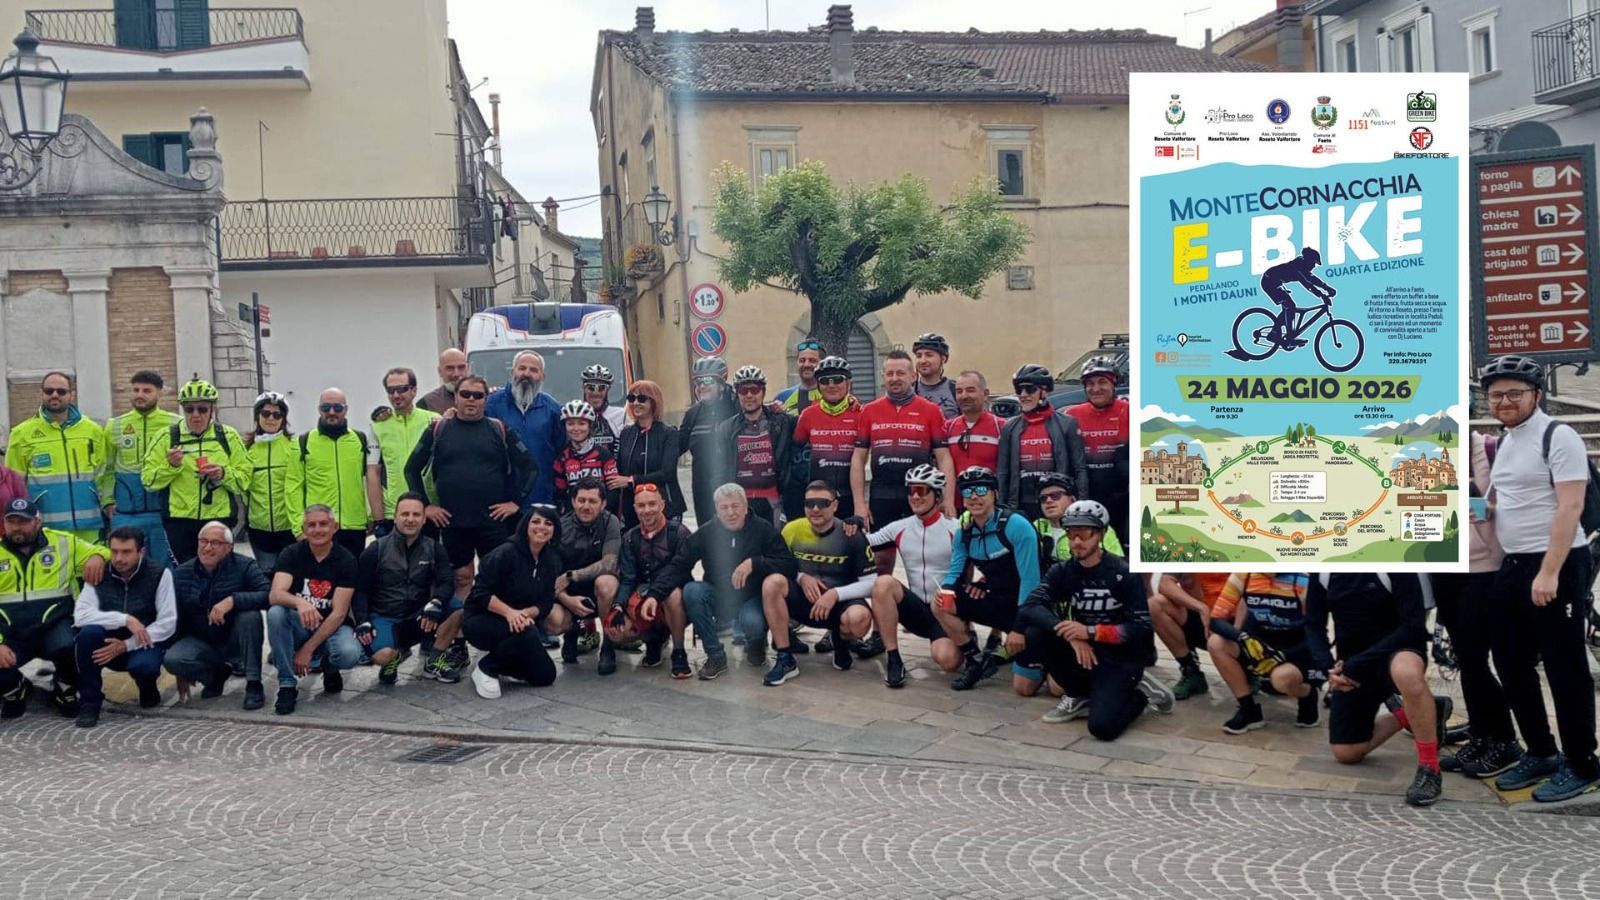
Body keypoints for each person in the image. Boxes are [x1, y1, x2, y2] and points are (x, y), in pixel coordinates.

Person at [1479, 355, 1599, 802]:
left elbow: (1569, 506)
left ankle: (1582, 762)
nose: (1504, 401)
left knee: (1565, 665)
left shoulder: (1558, 435)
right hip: (1515, 562)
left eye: (1514, 393)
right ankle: (1542, 751)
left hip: (1559, 563)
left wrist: (1550, 572)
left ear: (1536, 395)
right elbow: (1510, 501)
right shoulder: (1508, 440)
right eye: (1496, 395)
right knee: (1508, 659)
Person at [1017, 500, 1168, 740]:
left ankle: (1140, 695)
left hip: (1120, 657)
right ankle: (1077, 694)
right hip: (1085, 651)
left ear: (1101, 534)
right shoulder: (1063, 571)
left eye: (1084, 533)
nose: (1077, 541)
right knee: (1035, 632)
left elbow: (1140, 630)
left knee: (1102, 728)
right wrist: (1067, 631)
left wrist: (1090, 632)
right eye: (1071, 533)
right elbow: (1029, 607)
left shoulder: (1124, 573)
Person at [1306, 573, 1450, 807]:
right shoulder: (1323, 569)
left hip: (1397, 652)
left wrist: (1354, 665)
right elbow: (1313, 623)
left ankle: (1429, 767)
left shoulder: (1396, 564)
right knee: (1346, 752)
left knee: (1407, 673)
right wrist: (1328, 669)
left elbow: (1412, 626)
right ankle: (1420, 712)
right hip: (1354, 665)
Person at [1432, 429, 1521, 779]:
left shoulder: (1488, 449)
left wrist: (1469, 500)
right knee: (1466, 660)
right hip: (1444, 566)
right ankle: (1482, 734)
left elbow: (1508, 506)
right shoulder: (1419, 444)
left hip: (1483, 568)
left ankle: (1506, 741)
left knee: (1475, 659)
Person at [404, 374, 537, 603]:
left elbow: (531, 468)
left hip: (493, 521)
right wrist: (426, 506)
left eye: (478, 395)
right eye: (465, 394)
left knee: (496, 576)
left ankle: (495, 631)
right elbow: (411, 469)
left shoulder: (499, 429)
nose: (471, 400)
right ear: (455, 397)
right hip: (453, 521)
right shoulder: (438, 430)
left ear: (486, 400)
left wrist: (516, 502)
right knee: (461, 577)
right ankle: (462, 629)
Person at [673, 483, 799, 680]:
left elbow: (788, 565)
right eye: (724, 507)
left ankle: (756, 645)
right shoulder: (707, 532)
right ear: (716, 509)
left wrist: (756, 563)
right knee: (692, 591)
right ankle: (715, 655)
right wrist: (655, 594)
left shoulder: (763, 529)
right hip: (718, 596)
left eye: (735, 506)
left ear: (745, 505)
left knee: (752, 621)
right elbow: (679, 564)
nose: (730, 512)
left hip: (752, 598)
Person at [933, 466, 1041, 692]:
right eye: (967, 492)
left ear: (995, 494)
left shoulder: (1016, 525)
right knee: (939, 604)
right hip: (997, 603)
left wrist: (1019, 629)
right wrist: (947, 592)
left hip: (1028, 612)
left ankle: (1015, 648)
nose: (974, 496)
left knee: (1025, 688)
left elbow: (1031, 583)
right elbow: (955, 572)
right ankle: (975, 660)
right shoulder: (965, 532)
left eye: (981, 490)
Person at [0, 496, 109, 720]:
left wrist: (98, 556)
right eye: (11, 522)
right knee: (10, 702)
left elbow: (104, 551)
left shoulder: (63, 542)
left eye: (23, 521)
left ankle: (63, 689)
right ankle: (15, 690)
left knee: (72, 648)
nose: (17, 527)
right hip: (11, 633)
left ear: (37, 522)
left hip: (54, 626)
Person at [759, 481, 877, 685]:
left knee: (859, 618)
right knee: (772, 583)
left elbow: (871, 584)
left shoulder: (851, 534)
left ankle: (841, 641)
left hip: (838, 606)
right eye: (809, 503)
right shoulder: (791, 529)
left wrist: (835, 594)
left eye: (822, 503)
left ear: (835, 505)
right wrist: (801, 577)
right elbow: (778, 565)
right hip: (803, 602)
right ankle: (785, 657)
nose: (815, 509)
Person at [352, 493, 462, 685]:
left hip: (420, 616)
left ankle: (434, 660)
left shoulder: (434, 548)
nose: (410, 519)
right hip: (385, 616)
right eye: (405, 514)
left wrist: (436, 603)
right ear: (395, 517)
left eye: (416, 514)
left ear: (423, 518)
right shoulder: (375, 549)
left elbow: (447, 582)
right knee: (382, 655)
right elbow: (360, 590)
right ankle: (395, 657)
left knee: (457, 608)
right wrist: (363, 621)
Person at [71, 526, 177, 727]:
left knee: (144, 667)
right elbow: (81, 615)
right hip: (106, 643)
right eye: (114, 551)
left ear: (141, 552)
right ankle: (90, 702)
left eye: (126, 552)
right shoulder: (99, 572)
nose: (119, 558)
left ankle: (147, 687)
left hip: (142, 642)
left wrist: (126, 644)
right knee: (87, 634)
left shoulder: (159, 574)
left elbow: (167, 623)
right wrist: (124, 619)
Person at [866, 466, 960, 688]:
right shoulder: (900, 527)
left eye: (921, 491)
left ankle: (965, 638)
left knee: (948, 661)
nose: (915, 497)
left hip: (945, 610)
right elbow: (865, 542)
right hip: (916, 610)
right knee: (883, 583)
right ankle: (894, 658)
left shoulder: (955, 529)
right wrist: (849, 525)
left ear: (937, 495)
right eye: (911, 491)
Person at [265, 505, 363, 716]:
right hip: (300, 623)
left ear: (335, 527)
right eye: (311, 525)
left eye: (323, 524)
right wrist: (301, 603)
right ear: (304, 529)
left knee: (349, 653)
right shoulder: (291, 553)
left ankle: (329, 666)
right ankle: (287, 684)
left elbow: (339, 613)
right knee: (276, 613)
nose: (317, 530)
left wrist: (307, 650)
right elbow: (275, 594)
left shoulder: (346, 559)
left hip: (332, 627)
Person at [164, 520, 271, 710]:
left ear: (229, 548)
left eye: (215, 543)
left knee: (250, 616)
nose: (207, 548)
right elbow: (174, 619)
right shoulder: (181, 573)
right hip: (200, 638)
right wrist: (180, 673)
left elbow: (267, 595)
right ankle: (215, 675)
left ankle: (254, 684)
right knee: (173, 659)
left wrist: (232, 600)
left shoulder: (245, 566)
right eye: (203, 541)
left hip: (234, 637)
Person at [463, 505, 567, 699]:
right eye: (536, 521)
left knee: (545, 675)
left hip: (522, 623)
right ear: (525, 525)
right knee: (528, 632)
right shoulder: (505, 553)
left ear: (555, 530)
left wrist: (526, 613)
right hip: (483, 619)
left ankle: (505, 661)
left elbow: (546, 602)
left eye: (548, 523)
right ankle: (486, 668)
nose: (541, 527)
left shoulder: (551, 560)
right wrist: (510, 613)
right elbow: (480, 593)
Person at [142, 378, 249, 564]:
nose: (196, 415)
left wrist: (223, 474)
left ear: (212, 410)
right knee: (186, 574)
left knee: (218, 571)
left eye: (202, 409)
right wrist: (171, 467)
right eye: (189, 409)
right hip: (179, 521)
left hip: (218, 518)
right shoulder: (166, 437)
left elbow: (245, 480)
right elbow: (148, 481)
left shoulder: (228, 436)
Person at [852, 350, 956, 530]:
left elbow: (944, 458)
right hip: (881, 496)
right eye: (890, 374)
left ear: (913, 376)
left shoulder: (931, 410)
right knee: (882, 556)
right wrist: (859, 504)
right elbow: (858, 458)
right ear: (883, 376)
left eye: (901, 373)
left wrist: (948, 499)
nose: (894, 378)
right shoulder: (869, 411)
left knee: (922, 554)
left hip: (920, 494)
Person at [1204, 573, 1319, 733]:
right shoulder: (1244, 575)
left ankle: (1307, 693)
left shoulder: (1304, 580)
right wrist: (1242, 638)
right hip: (1258, 644)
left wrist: (1284, 655)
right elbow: (1216, 620)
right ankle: (1248, 709)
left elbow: (1317, 634)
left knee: (1280, 680)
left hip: (1295, 647)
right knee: (1216, 643)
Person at [5, 372, 109, 542]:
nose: (54, 395)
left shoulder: (93, 430)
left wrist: (107, 505)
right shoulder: (21, 434)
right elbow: (14, 486)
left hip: (89, 525)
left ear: (71, 394)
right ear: (41, 393)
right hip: (45, 529)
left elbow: (104, 476)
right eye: (49, 391)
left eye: (61, 391)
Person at [285, 388, 381, 558]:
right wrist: (298, 527)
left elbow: (367, 480)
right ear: (319, 409)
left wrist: (370, 515)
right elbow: (293, 488)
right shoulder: (303, 442)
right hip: (319, 527)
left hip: (354, 527)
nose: (331, 412)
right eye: (326, 407)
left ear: (346, 409)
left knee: (352, 580)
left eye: (337, 408)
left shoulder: (360, 440)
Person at [100, 371, 179, 565]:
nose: (140, 395)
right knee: (127, 568)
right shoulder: (115, 425)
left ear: (159, 393)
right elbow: (106, 469)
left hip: (162, 513)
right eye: (136, 390)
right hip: (126, 514)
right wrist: (108, 501)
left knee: (166, 569)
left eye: (146, 390)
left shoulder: (175, 423)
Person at [616, 484, 694, 679]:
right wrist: (618, 606)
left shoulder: (680, 532)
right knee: (619, 629)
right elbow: (628, 578)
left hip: (675, 595)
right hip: (642, 595)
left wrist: (655, 594)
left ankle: (678, 650)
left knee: (673, 595)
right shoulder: (629, 538)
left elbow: (681, 570)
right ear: (635, 508)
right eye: (641, 506)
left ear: (662, 505)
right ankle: (652, 640)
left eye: (652, 504)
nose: (647, 510)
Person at [997, 364, 1088, 522]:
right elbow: (1003, 472)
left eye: (1029, 389)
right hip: (1021, 505)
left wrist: (1080, 505)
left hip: (1056, 503)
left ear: (1044, 391)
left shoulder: (1067, 424)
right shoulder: (1010, 427)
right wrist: (1002, 509)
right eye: (1019, 390)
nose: (1023, 395)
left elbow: (1079, 468)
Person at [1064, 356, 1130, 546]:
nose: (1096, 388)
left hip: (1123, 497)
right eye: (1090, 383)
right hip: (1087, 496)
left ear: (1114, 384)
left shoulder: (1129, 411)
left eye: (1102, 382)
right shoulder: (1073, 415)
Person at [485, 350, 565, 506]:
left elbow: (560, 449)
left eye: (534, 370)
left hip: (540, 498)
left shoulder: (553, 409)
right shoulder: (491, 404)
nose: (526, 374)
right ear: (512, 371)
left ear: (543, 376)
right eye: (522, 368)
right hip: (500, 501)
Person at [716, 366, 795, 526]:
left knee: (774, 544)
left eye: (755, 390)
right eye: (744, 391)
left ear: (763, 392)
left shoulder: (781, 422)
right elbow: (720, 468)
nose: (749, 395)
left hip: (773, 499)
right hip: (740, 500)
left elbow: (811, 418)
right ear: (737, 394)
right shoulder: (726, 428)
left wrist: (849, 401)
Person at [555, 480, 621, 668]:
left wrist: (573, 575)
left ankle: (608, 647)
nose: (586, 506)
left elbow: (610, 563)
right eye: (581, 500)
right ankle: (571, 630)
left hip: (594, 585)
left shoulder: (611, 522)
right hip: (568, 591)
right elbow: (550, 571)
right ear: (573, 501)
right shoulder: (560, 526)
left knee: (607, 582)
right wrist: (566, 598)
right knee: (553, 620)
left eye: (592, 501)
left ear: (603, 504)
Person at [369, 367, 440, 533]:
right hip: (394, 511)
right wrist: (378, 518)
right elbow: (373, 473)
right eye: (391, 390)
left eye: (402, 389)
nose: (396, 395)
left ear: (414, 390)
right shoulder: (377, 425)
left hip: (428, 509)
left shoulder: (434, 420)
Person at [792, 356, 862, 521]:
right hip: (819, 499)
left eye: (837, 380)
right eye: (825, 381)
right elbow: (795, 450)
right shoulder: (808, 415)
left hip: (851, 497)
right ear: (818, 385)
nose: (831, 385)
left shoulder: (861, 413)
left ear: (848, 383)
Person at [610, 380, 684, 529]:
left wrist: (632, 480)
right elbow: (620, 470)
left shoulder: (668, 434)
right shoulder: (626, 434)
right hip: (633, 508)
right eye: (631, 398)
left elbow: (667, 473)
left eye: (642, 399)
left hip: (664, 505)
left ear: (654, 402)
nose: (636, 403)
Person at [678, 356, 739, 525]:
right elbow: (677, 446)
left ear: (721, 382)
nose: (701, 386)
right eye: (697, 382)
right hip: (702, 485)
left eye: (707, 380)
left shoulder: (737, 406)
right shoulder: (693, 414)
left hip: (733, 481)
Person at [243, 392, 297, 572]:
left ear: (284, 419)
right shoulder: (246, 449)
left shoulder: (294, 447)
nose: (271, 419)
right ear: (257, 416)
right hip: (259, 528)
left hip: (288, 527)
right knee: (266, 580)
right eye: (266, 414)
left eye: (277, 414)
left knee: (289, 579)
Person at [775, 338, 826, 521]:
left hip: (823, 477)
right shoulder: (783, 396)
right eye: (802, 360)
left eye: (813, 361)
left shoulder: (830, 394)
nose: (807, 364)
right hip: (792, 480)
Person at [1147, 571, 1212, 702]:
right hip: (1204, 621)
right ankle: (1190, 670)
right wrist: (1201, 607)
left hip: (1235, 623)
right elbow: (1164, 583)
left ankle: (1248, 668)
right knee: (1154, 604)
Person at [552, 400, 619, 513]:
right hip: (573, 517)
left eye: (582, 423)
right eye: (570, 424)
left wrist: (602, 511)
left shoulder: (603, 454)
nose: (576, 428)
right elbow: (560, 493)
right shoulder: (562, 457)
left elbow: (613, 489)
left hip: (602, 515)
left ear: (590, 426)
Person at [1259, 247, 1333, 344]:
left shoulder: (1302, 266)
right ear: (1308, 260)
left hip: (1275, 282)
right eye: (1313, 263)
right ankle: (1288, 338)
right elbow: (1307, 283)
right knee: (1290, 305)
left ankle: (1275, 332)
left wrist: (1327, 288)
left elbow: (1312, 278)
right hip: (1268, 281)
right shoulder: (1298, 265)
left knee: (1288, 308)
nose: (1314, 266)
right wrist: (1322, 295)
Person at [945, 371, 1002, 476]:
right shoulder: (947, 428)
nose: (964, 396)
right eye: (959, 391)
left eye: (970, 390)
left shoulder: (1001, 427)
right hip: (955, 492)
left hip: (989, 492)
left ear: (985, 394)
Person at [580, 363, 628, 453]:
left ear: (608, 389)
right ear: (583, 388)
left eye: (601, 388)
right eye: (591, 387)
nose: (596, 393)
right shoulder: (573, 416)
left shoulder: (622, 415)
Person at [911, 333, 959, 419]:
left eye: (929, 355)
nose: (922, 361)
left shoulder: (956, 389)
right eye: (919, 356)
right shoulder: (909, 390)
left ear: (943, 359)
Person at [418, 348, 469, 413]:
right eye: (450, 368)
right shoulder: (427, 403)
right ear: (440, 371)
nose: (456, 374)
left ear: (467, 369)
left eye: (461, 367)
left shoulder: (481, 397)